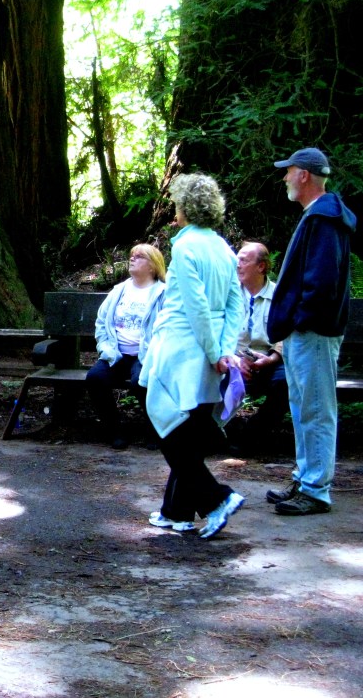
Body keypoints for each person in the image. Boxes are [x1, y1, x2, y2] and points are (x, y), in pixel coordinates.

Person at [139, 173, 245, 539]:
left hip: (181, 348)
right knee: (192, 427)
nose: (174, 210)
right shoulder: (223, 248)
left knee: (166, 422)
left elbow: (196, 307)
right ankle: (177, 511)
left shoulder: (185, 248)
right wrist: (223, 351)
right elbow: (235, 305)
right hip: (207, 351)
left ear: (185, 206)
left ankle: (217, 498)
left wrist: (217, 352)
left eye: (176, 203)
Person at [266, 148, 356, 516]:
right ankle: (305, 480)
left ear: (304, 174)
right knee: (304, 409)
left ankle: (316, 490)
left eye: (288, 171)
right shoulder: (318, 215)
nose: (285, 177)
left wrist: (299, 321)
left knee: (316, 410)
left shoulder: (324, 218)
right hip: (306, 332)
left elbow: (321, 283)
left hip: (314, 332)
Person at [86, 244, 166, 450]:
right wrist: (105, 348)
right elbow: (102, 322)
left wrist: (155, 353)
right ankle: (115, 430)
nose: (132, 259)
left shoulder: (163, 293)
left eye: (139, 256)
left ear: (152, 266)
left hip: (146, 355)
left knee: (141, 382)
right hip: (117, 353)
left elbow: (169, 328)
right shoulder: (119, 290)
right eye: (132, 255)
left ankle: (155, 430)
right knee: (95, 378)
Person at [227, 242, 288, 449]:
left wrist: (272, 358)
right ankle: (215, 432)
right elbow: (216, 329)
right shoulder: (228, 294)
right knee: (204, 373)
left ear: (261, 266)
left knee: (287, 382)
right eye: (237, 260)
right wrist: (235, 359)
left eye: (243, 260)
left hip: (269, 360)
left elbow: (287, 333)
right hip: (233, 359)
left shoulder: (280, 295)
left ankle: (252, 435)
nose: (237, 265)